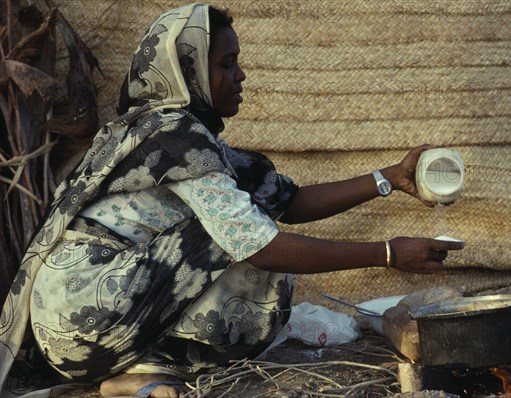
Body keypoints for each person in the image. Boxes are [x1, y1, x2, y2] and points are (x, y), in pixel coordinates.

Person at [0, 4, 464, 398]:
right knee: (252, 247)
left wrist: (390, 178)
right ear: (190, 71)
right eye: (226, 64)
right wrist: (387, 254)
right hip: (84, 314)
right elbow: (258, 244)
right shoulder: (173, 137)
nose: (240, 75)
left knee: (245, 223)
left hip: (80, 330)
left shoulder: (183, 139)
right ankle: (136, 370)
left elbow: (292, 199)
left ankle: (131, 375)